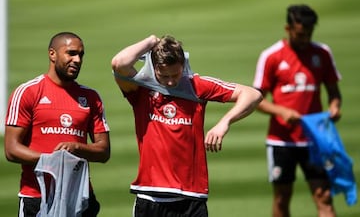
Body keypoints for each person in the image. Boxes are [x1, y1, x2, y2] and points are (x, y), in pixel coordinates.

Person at [111, 34, 262, 217]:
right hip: (150, 196)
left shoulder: (197, 86)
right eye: (163, 75)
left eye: (175, 74)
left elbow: (252, 95)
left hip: (191, 198)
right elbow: (119, 63)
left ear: (183, 65)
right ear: (153, 67)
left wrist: (224, 123)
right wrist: (151, 41)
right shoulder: (141, 90)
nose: (170, 81)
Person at [4, 32, 111, 217]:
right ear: (52, 54)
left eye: (81, 55)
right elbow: (11, 149)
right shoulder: (28, 92)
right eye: (71, 53)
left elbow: (104, 151)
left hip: (79, 197)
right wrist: (53, 162)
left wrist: (77, 147)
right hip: (37, 197)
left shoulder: (91, 98)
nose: (77, 60)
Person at [252, 4, 342, 217]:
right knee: (282, 197)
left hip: (315, 138)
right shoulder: (271, 56)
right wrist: (281, 111)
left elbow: (333, 91)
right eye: (301, 34)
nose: (305, 39)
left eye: (309, 34)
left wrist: (335, 107)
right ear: (288, 29)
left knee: (324, 196)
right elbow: (256, 100)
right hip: (282, 140)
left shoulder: (322, 53)